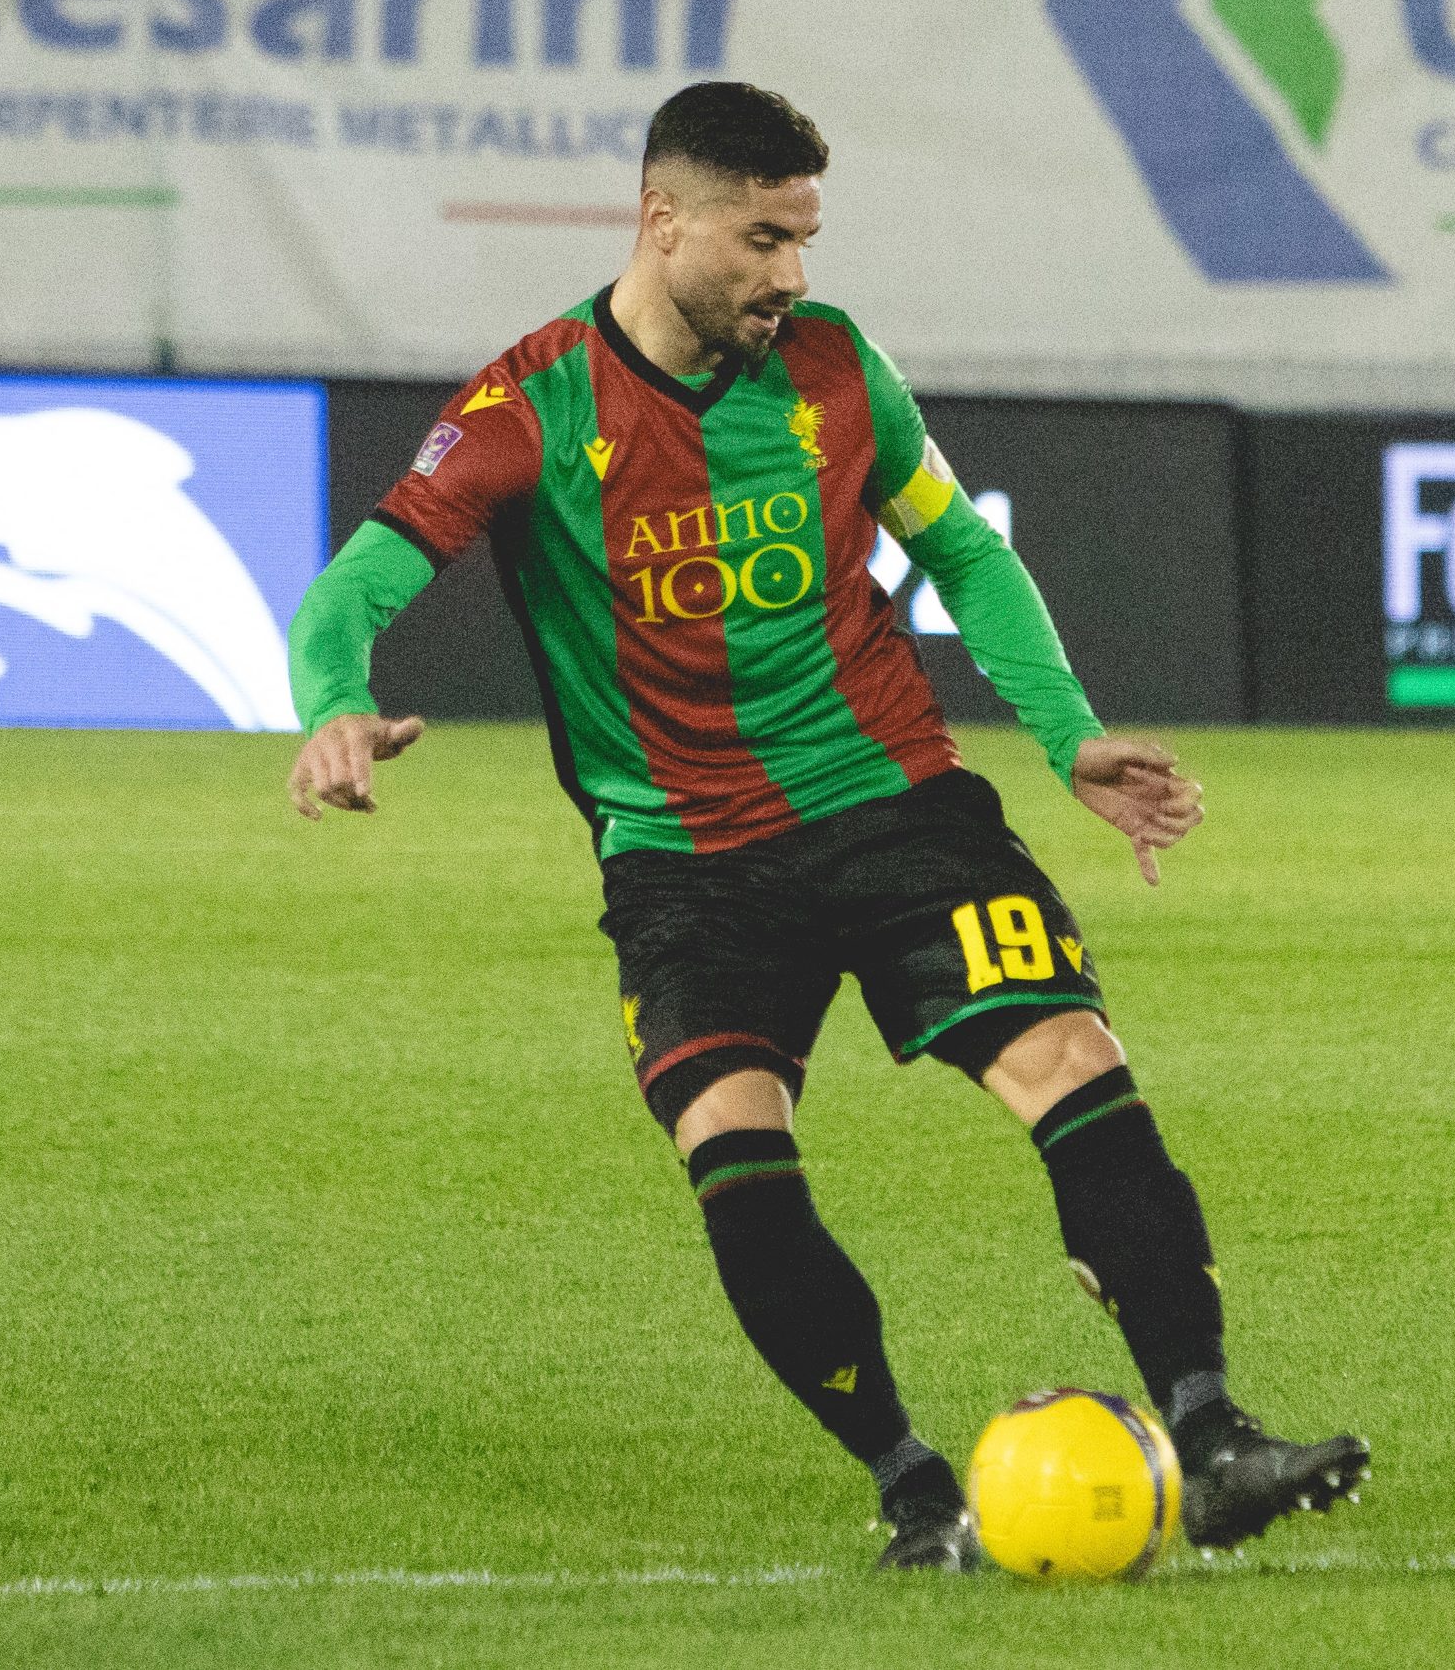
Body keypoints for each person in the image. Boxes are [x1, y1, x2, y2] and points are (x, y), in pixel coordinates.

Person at [286, 82, 1366, 1571]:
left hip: (897, 806)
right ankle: (915, 1488)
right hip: (685, 864)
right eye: (762, 238)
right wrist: (336, 704)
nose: (790, 273)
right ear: (662, 221)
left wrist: (1068, 736)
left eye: (804, 238)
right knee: (736, 1150)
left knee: (1072, 1061)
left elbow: (962, 550)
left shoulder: (839, 368)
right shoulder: (530, 406)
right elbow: (355, 585)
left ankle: (1213, 1430)